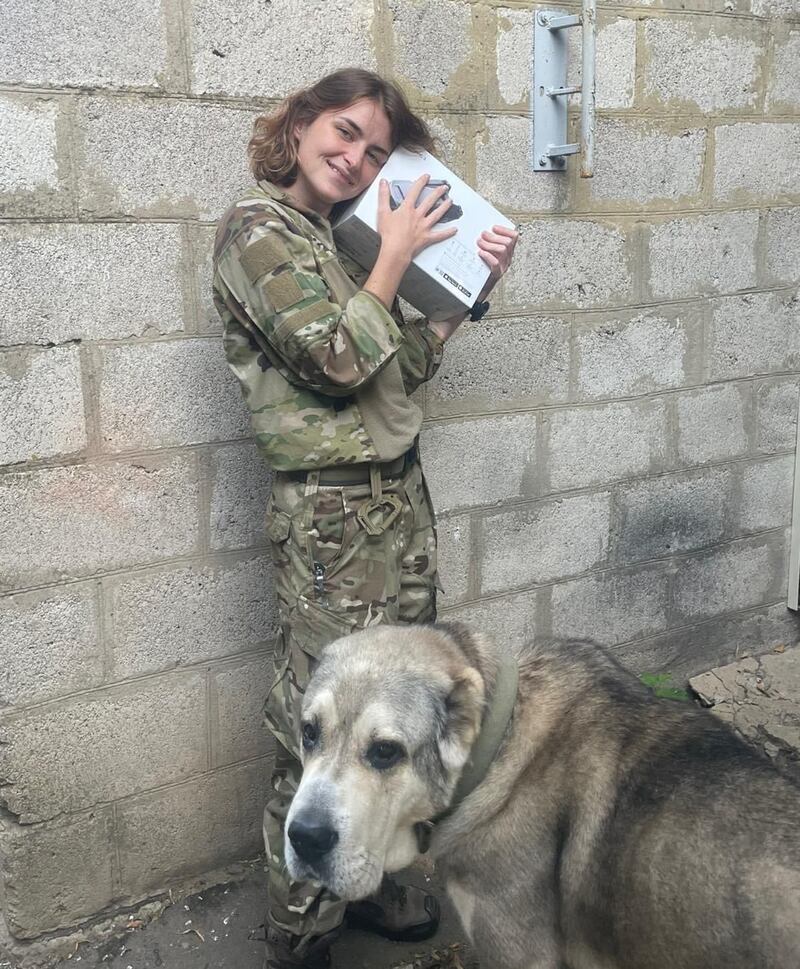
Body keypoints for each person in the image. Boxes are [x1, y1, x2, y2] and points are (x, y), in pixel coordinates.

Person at [212, 67, 517, 969]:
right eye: (343, 133)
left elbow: (398, 368)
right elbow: (337, 358)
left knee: (397, 719)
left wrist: (467, 289)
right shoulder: (256, 231)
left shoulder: (339, 242)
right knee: (321, 733)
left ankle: (378, 886)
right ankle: (301, 933)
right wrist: (394, 251)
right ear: (301, 125)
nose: (354, 157)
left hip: (397, 504)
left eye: (375, 151)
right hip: (333, 521)